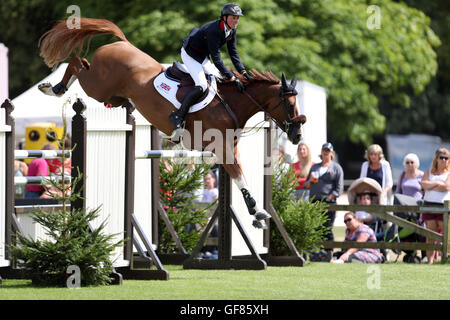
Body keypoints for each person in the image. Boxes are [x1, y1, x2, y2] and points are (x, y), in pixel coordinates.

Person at [168, 3, 251, 137]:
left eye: (237, 18)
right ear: (224, 17)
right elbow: (217, 59)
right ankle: (178, 116)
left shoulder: (232, 30)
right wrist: (231, 77)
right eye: (233, 18)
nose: (236, 21)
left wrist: (243, 72)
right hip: (190, 54)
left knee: (218, 78)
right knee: (201, 85)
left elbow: (233, 53)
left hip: (202, 56)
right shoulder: (214, 30)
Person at [305, 142, 344, 248]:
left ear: (332, 153)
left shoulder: (336, 168)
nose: (326, 153)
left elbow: (340, 188)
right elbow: (306, 185)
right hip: (314, 201)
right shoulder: (315, 167)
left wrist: (331, 196)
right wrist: (310, 181)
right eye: (324, 150)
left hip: (329, 202)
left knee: (327, 228)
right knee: (315, 227)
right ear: (321, 152)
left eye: (328, 151)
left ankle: (328, 252)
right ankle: (315, 252)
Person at [420, 148, 450, 264]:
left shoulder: (449, 173)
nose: (444, 160)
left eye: (446, 158)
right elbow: (423, 184)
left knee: (446, 235)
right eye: (441, 157)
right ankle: (430, 261)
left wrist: (431, 185)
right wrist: (438, 183)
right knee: (430, 235)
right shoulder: (428, 172)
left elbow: (446, 187)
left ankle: (445, 259)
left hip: (443, 207)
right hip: (429, 205)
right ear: (436, 159)